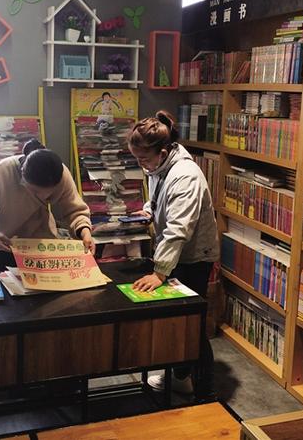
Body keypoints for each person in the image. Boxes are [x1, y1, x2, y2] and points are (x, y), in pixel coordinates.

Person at [128, 110, 219, 396]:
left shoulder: (185, 176)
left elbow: (178, 229)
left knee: (190, 325)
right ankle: (180, 376)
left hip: (194, 257)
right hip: (177, 254)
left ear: (163, 152)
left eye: (143, 159)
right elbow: (158, 196)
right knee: (177, 323)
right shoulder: (160, 166)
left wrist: (159, 273)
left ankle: (205, 391)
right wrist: (148, 210)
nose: (140, 164)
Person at [0, 139, 95, 271]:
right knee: (8, 283)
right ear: (22, 176)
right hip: (5, 244)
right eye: (36, 192)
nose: (43, 197)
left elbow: (75, 211)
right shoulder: (3, 172)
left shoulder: (61, 174)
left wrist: (85, 234)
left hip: (42, 245)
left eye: (49, 194)